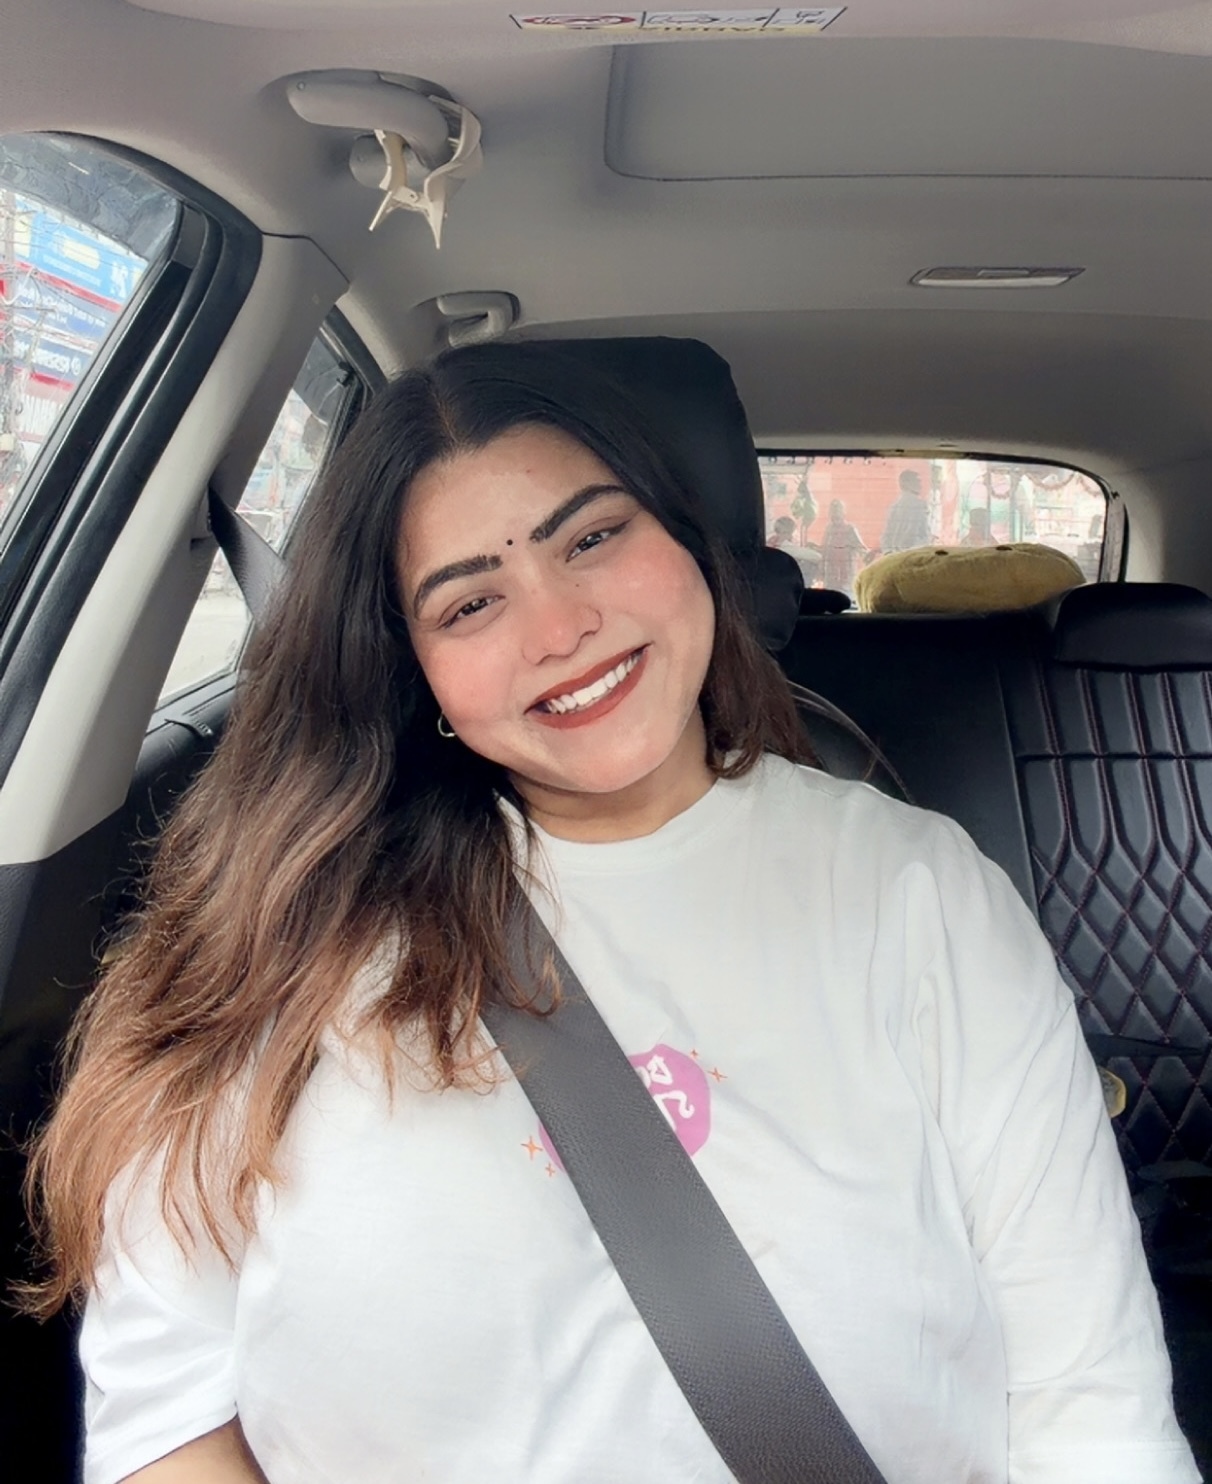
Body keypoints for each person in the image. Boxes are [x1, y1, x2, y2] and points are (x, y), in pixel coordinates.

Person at [23, 343, 1199, 1484]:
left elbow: (1092, 1406)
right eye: (469, 602)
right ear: (413, 668)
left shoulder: (922, 892)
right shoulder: (275, 934)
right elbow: (167, 1415)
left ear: (690, 545)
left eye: (591, 537)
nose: (559, 627)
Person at [820, 496, 867, 592]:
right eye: (833, 511)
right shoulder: (829, 529)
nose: (835, 514)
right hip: (831, 574)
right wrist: (821, 569)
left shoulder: (850, 529)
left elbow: (861, 548)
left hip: (846, 573)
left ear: (843, 512)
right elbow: (824, 550)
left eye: (837, 510)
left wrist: (866, 555)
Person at [879, 469, 931, 554]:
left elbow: (886, 535)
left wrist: (888, 552)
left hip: (895, 556)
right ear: (907, 483)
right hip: (913, 555)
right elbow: (923, 534)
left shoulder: (894, 506)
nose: (920, 485)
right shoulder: (919, 505)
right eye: (917, 481)